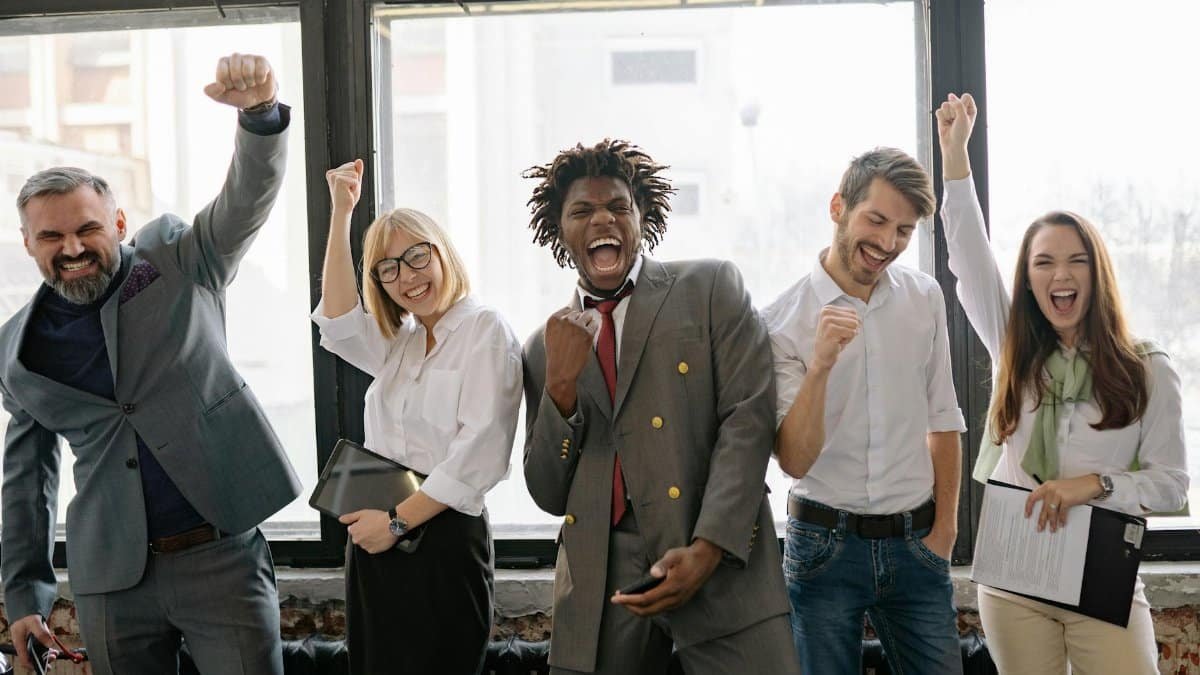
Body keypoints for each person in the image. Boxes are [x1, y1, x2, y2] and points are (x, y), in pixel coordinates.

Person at [0, 53, 300, 674]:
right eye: (51, 238)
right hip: (111, 578)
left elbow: (244, 203)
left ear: (118, 222)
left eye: (87, 229)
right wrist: (25, 595)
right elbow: (28, 480)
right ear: (28, 243)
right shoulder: (17, 353)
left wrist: (259, 116)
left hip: (220, 555)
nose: (73, 248)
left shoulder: (179, 260)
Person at [521, 139, 801, 675]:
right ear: (560, 231)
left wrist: (708, 550)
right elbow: (548, 493)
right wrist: (559, 388)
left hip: (723, 567)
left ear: (641, 216)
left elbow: (748, 423)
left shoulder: (710, 286)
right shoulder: (542, 346)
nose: (602, 218)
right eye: (582, 210)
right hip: (601, 589)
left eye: (618, 207)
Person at [937, 92, 1188, 675]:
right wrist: (956, 156)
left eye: (1076, 260)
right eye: (1043, 262)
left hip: (1101, 572)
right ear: (1027, 279)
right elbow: (969, 255)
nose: (1061, 274)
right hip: (1017, 572)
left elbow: (1172, 486)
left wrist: (1093, 485)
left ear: (1096, 273)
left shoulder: (1145, 367)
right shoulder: (1015, 350)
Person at [312, 159, 522, 674]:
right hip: (377, 541)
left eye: (416, 256)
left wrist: (397, 523)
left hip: (440, 540)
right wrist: (341, 212)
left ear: (441, 252)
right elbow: (338, 321)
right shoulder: (400, 344)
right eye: (389, 268)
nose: (407, 277)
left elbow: (481, 455)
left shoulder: (485, 330)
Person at [764, 146, 967, 674]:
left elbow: (943, 419)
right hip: (822, 549)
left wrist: (943, 534)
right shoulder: (782, 321)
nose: (886, 243)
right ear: (838, 207)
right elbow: (794, 460)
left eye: (903, 231)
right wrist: (821, 366)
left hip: (917, 545)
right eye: (876, 220)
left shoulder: (924, 298)